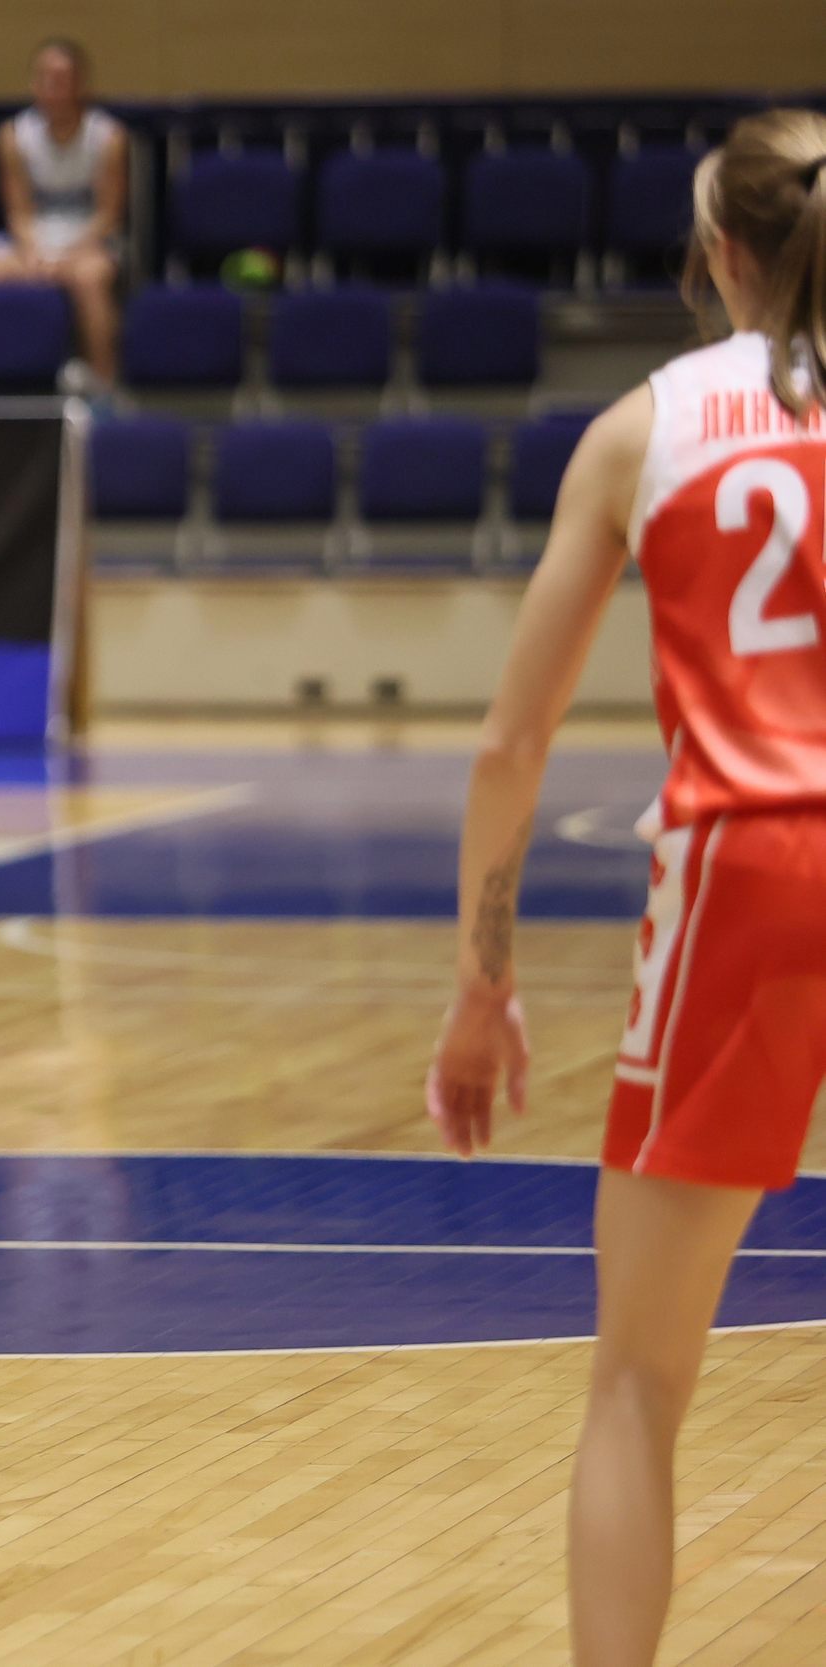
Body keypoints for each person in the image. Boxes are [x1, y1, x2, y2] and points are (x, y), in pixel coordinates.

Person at [425, 109, 826, 1667]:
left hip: (747, 866)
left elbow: (510, 741)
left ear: (718, 252)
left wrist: (483, 983)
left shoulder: (643, 427)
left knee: (639, 1383)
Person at [0, 37, 128, 389]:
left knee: (90, 279)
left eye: (63, 79)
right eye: (46, 78)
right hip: (34, 239)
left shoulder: (109, 136)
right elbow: (18, 212)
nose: (54, 88)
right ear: (34, 84)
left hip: (88, 241)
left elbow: (108, 215)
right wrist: (35, 254)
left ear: (81, 84)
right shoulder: (12, 135)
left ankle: (105, 385)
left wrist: (67, 257)